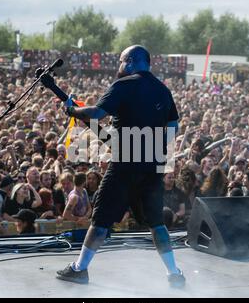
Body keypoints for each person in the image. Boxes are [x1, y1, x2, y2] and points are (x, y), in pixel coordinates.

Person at [44, 45, 185, 287]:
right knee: (156, 223)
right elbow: (173, 122)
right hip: (152, 166)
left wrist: (72, 109)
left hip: (124, 168)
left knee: (101, 221)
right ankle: (175, 274)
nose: (119, 67)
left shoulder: (124, 85)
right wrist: (160, 145)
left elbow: (98, 113)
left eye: (121, 61)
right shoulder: (163, 90)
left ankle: (79, 269)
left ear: (129, 61)